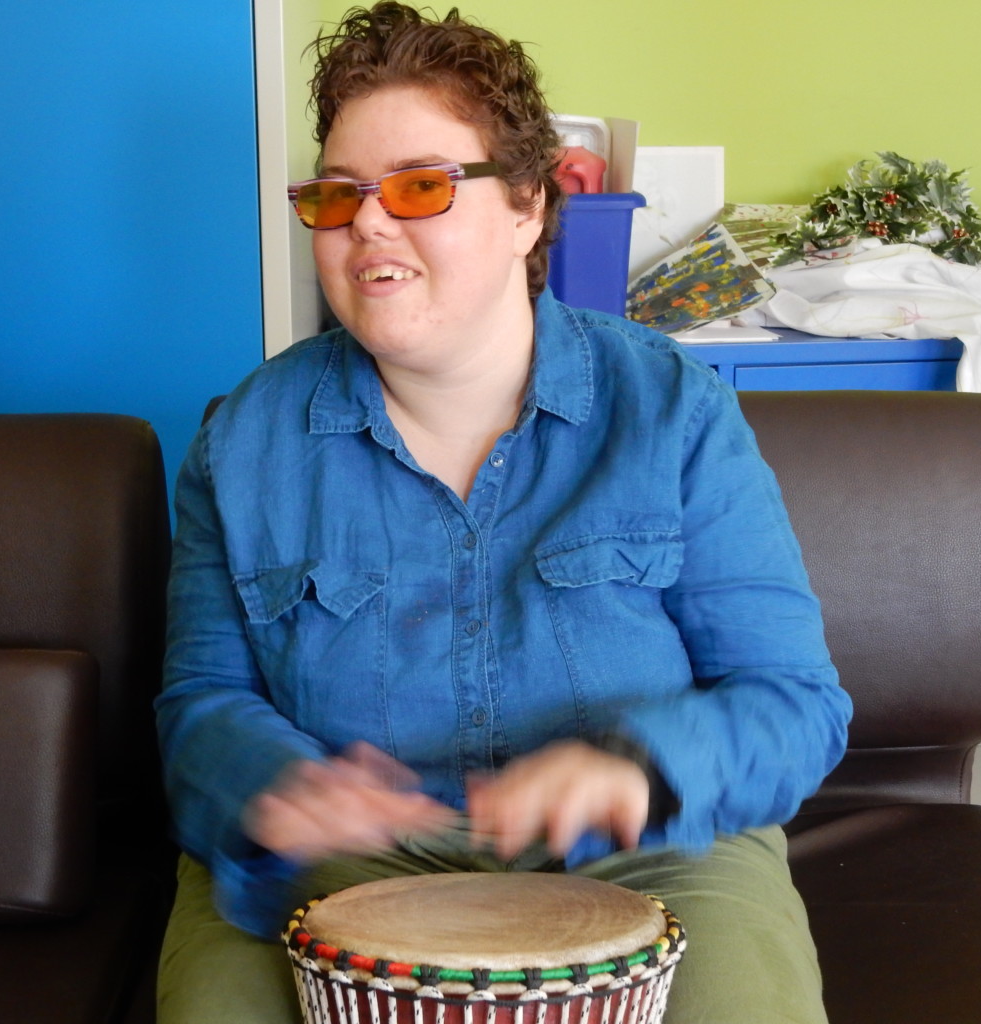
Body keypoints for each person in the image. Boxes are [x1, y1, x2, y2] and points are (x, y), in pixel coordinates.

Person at [154, 4, 852, 1022]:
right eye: (337, 196)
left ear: (528, 205)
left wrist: (639, 771)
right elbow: (198, 705)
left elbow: (797, 704)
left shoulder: (673, 411)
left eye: (420, 186)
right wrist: (275, 784)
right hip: (337, 862)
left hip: (646, 852)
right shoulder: (242, 442)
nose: (366, 225)